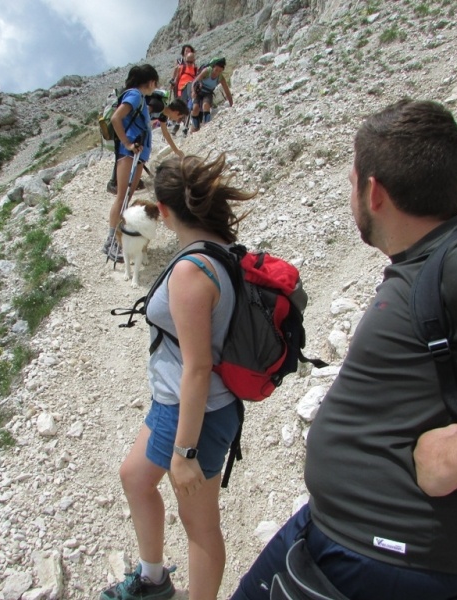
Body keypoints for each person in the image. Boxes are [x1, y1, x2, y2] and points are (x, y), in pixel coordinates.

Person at [231, 99, 457, 600]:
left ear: (373, 192)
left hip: (378, 562)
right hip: (347, 543)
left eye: (351, 183)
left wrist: (456, 456)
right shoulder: (432, 260)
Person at [100, 153, 256, 600]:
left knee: (200, 527)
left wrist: (185, 452)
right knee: (135, 476)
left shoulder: (191, 270)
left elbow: (198, 366)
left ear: (164, 212)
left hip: (197, 413)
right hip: (175, 403)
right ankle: (153, 580)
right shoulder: (220, 248)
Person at [103, 64, 159, 263]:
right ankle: (111, 242)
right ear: (150, 82)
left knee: (126, 197)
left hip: (136, 154)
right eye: (155, 83)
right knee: (122, 197)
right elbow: (116, 118)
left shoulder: (139, 98)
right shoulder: (135, 95)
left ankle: (118, 240)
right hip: (129, 153)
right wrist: (127, 143)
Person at [190, 58, 233, 133]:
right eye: (216, 70)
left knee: (206, 106)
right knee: (195, 108)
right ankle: (195, 127)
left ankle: (207, 125)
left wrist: (231, 104)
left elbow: (227, 92)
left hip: (208, 93)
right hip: (199, 91)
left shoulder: (220, 78)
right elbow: (195, 81)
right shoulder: (207, 71)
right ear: (213, 67)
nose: (217, 73)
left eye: (220, 71)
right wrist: (193, 91)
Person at [171, 51, 198, 135]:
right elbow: (176, 76)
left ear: (194, 60)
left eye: (191, 62)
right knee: (183, 107)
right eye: (187, 62)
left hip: (191, 88)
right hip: (182, 89)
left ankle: (184, 127)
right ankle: (177, 125)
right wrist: (173, 82)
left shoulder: (195, 69)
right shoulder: (181, 67)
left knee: (189, 106)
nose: (189, 64)